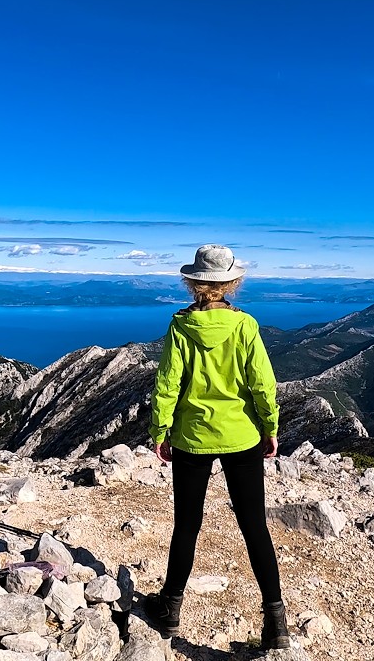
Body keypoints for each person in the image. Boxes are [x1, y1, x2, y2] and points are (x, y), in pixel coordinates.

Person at [143, 243, 290, 649]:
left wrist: (161, 430)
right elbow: (262, 382)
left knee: (187, 526)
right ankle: (275, 621)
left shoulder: (180, 326)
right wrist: (270, 426)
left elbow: (168, 384)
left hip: (192, 438)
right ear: (232, 283)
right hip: (242, 437)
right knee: (255, 526)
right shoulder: (245, 326)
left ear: (191, 282)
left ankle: (170, 610)